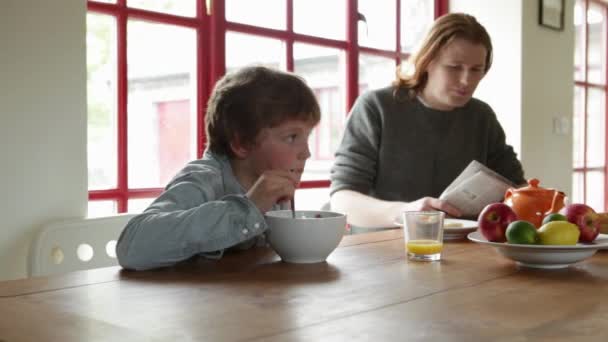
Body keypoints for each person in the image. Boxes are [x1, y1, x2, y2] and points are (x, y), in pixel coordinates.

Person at [330, 13, 526, 230]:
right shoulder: (376, 107)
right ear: (427, 62)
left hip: (463, 250)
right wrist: (405, 212)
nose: (466, 80)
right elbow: (343, 200)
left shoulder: (482, 117)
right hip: (382, 249)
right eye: (454, 67)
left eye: (476, 70)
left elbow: (518, 190)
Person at [116, 66, 320, 270]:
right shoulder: (204, 179)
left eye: (307, 136)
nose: (306, 153)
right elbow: (131, 247)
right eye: (292, 137)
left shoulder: (273, 188)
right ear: (241, 143)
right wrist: (247, 209)